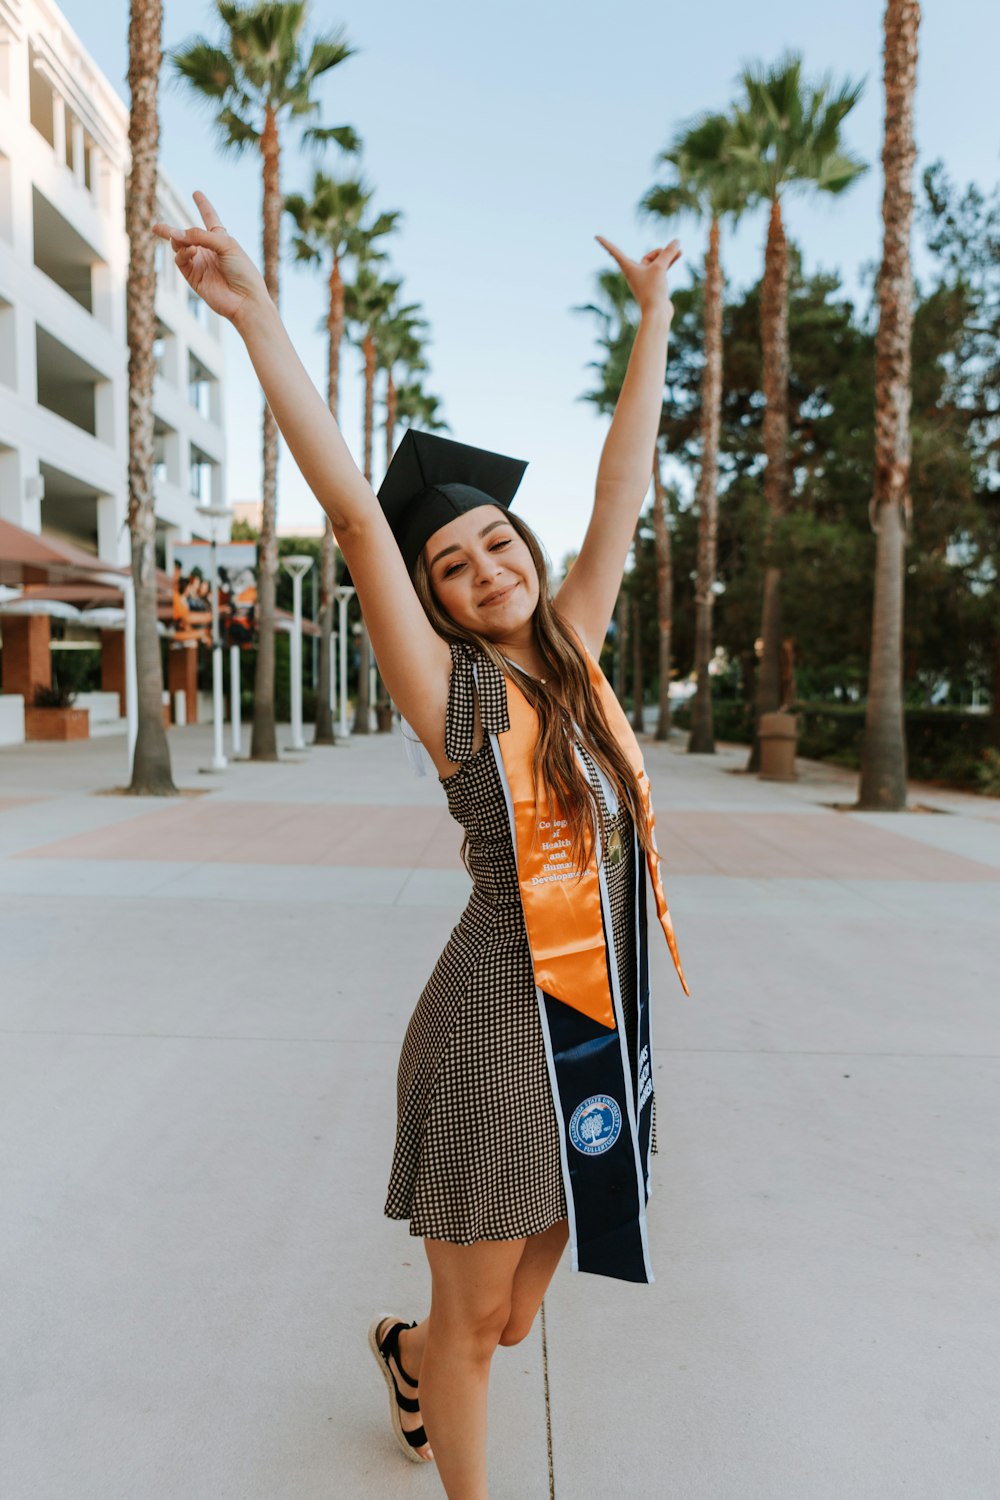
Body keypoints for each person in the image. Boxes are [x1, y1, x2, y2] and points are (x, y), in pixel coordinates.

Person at [154, 192, 690, 1500]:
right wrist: (257, 314)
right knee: (479, 1331)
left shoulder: (572, 655)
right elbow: (348, 508)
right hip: (497, 1028)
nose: (483, 568)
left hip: (598, 1022)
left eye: (496, 542)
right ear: (437, 598)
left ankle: (405, 1354)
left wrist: (655, 316)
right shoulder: (454, 696)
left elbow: (623, 483)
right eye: (451, 565)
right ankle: (444, 1416)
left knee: (507, 1317)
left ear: (528, 548)